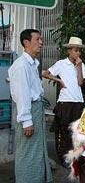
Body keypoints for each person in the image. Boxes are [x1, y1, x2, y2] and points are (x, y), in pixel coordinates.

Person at [8, 29, 53, 183]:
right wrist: (27, 120)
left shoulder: (32, 64)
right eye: (38, 39)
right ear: (26, 43)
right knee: (28, 153)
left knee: (37, 151)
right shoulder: (21, 66)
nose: (41, 42)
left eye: (41, 39)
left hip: (35, 110)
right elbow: (22, 95)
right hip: (28, 112)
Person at [42, 36, 85, 167]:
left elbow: (80, 82)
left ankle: (74, 158)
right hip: (65, 102)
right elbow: (45, 73)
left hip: (78, 102)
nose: (78, 53)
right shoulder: (61, 64)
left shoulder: (81, 64)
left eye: (79, 51)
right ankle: (64, 159)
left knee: (76, 131)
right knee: (64, 131)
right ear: (69, 51)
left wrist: (78, 67)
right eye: (75, 50)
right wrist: (59, 81)